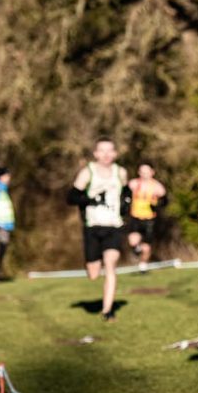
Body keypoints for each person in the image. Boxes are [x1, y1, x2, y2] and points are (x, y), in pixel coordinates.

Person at [66, 137, 130, 322]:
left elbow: (126, 193)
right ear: (95, 154)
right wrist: (89, 200)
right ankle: (94, 264)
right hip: (92, 226)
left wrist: (127, 202)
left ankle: (107, 311)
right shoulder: (88, 173)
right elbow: (71, 197)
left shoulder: (121, 172)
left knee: (111, 264)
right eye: (102, 151)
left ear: (115, 153)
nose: (106, 155)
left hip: (114, 226)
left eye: (110, 151)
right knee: (94, 274)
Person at [126, 163, 168, 272]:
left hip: (149, 219)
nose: (145, 175)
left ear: (152, 172)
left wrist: (157, 205)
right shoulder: (133, 184)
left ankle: (143, 265)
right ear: (139, 173)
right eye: (142, 172)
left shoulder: (157, 187)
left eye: (147, 172)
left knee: (147, 245)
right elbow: (124, 196)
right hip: (135, 217)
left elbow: (164, 202)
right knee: (133, 240)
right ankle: (137, 249)